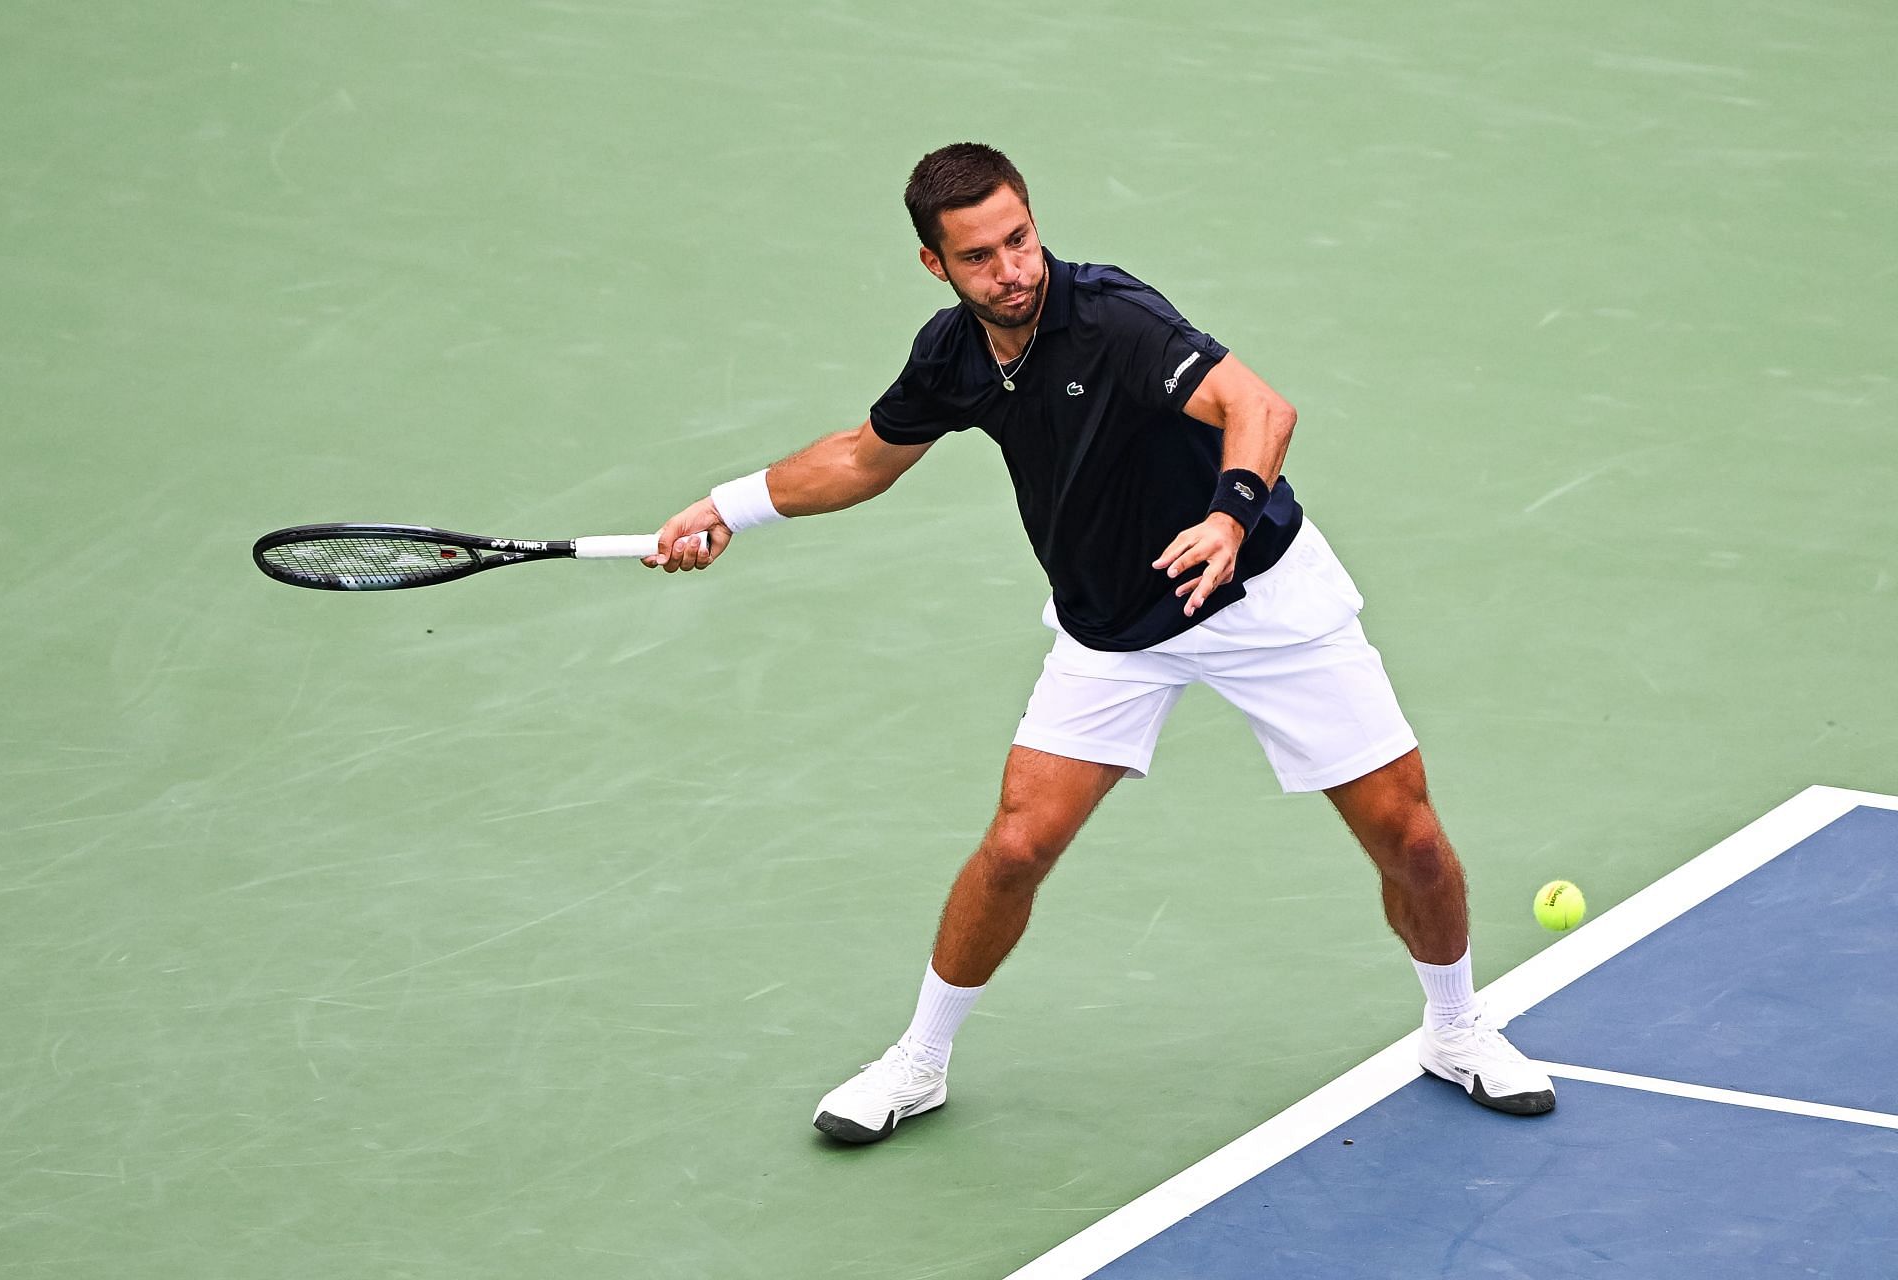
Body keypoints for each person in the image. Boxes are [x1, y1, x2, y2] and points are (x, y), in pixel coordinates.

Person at [647, 142, 1555, 1144]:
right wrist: (731, 507)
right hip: (1113, 626)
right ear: (936, 267)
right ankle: (921, 1060)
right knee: (1016, 845)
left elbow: (1260, 407)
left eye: (1021, 239)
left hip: (1259, 596)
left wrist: (1228, 512)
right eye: (982, 257)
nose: (1014, 269)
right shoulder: (953, 355)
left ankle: (1457, 1025)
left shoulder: (1114, 317)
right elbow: (865, 456)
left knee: (1410, 837)